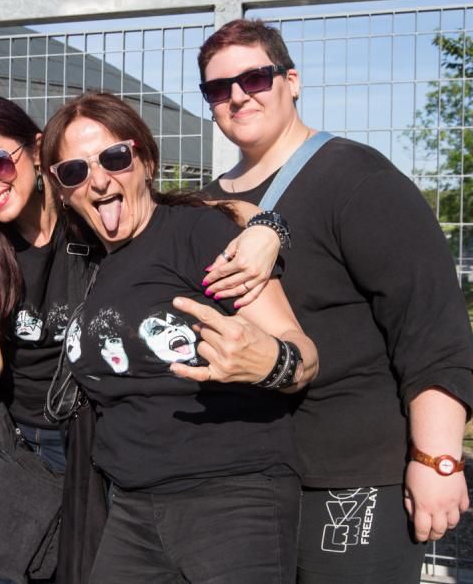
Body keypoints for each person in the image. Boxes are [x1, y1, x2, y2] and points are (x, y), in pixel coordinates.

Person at [0, 94, 284, 584]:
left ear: (37, 151)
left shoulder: (89, 202)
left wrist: (268, 230)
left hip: (105, 433)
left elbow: (208, 210)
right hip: (28, 442)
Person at [196, 18, 473, 584]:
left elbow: (430, 327)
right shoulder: (206, 204)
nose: (238, 96)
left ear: (291, 80)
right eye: (218, 88)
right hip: (244, 481)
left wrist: (437, 459)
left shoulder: (356, 178)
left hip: (349, 474)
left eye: (255, 78)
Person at [40, 91, 319, 583]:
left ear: (146, 161)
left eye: (114, 157)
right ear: (62, 189)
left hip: (231, 497)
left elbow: (302, 353)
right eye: (75, 171)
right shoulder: (86, 260)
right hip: (130, 505)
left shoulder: (197, 233)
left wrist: (269, 363)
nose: (98, 180)